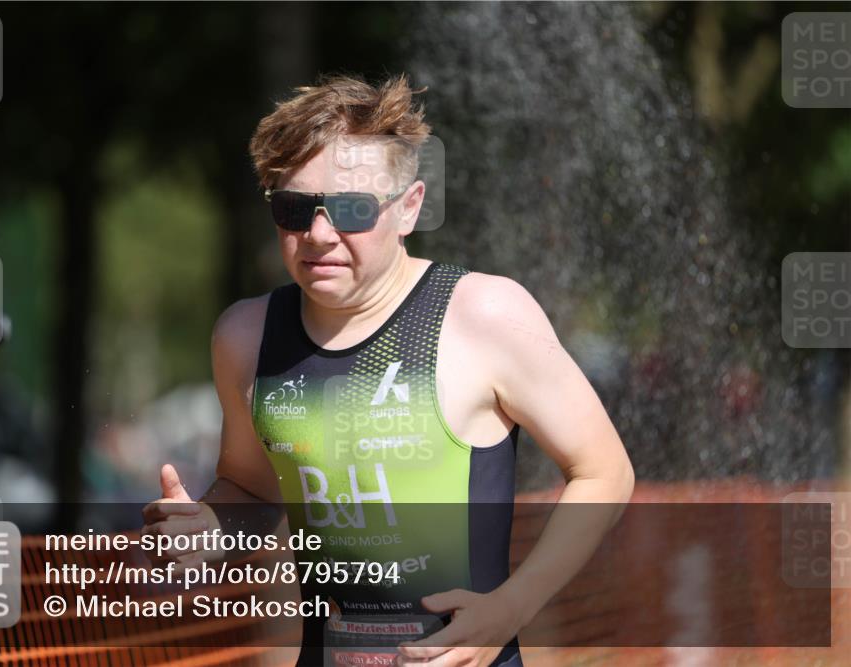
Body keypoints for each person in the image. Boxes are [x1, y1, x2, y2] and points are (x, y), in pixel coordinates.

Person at [143, 73, 635, 667]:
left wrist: (510, 608)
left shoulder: (483, 313)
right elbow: (252, 487)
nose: (319, 235)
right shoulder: (245, 338)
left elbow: (605, 473)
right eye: (294, 208)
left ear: (410, 209)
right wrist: (209, 529)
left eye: (351, 210)